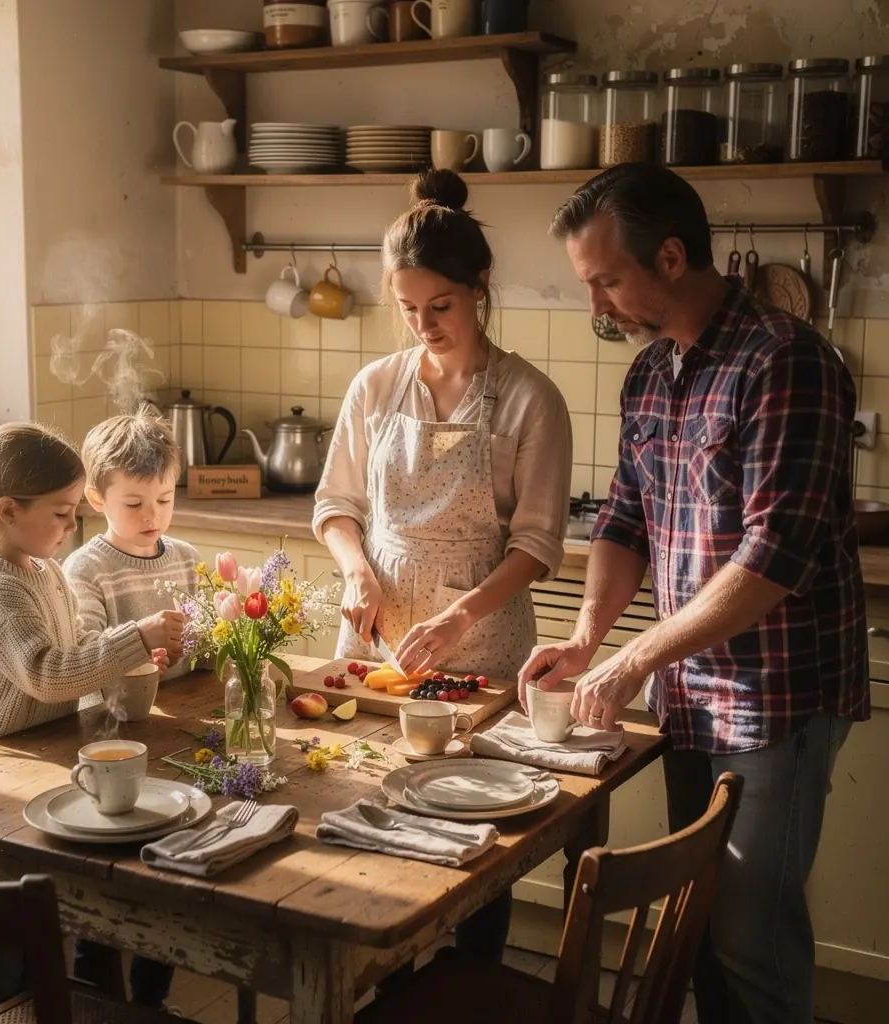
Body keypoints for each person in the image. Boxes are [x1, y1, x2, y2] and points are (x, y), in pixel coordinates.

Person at [522, 163, 870, 1024]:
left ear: (672, 257)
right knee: (698, 926)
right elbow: (623, 521)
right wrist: (589, 639)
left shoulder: (786, 360)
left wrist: (636, 656)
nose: (597, 306)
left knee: (752, 946)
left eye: (606, 280)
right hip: (689, 695)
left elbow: (773, 557)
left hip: (773, 698)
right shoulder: (650, 374)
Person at [314, 167, 572, 968]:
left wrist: (462, 614)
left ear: (480, 286)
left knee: (474, 839)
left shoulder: (530, 399)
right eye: (407, 310)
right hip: (381, 638)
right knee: (366, 813)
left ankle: (467, 987)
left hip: (482, 644)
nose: (423, 325)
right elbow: (335, 505)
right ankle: (382, 982)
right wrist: (357, 570)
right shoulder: (375, 386)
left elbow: (536, 543)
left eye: (441, 307)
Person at [0, 422, 184, 1011]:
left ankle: (63, 1001)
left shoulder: (42, 570)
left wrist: (133, 656)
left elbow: (76, 660)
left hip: (35, 768)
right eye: (62, 513)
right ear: (8, 510)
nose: (72, 526)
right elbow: (48, 674)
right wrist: (133, 638)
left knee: (35, 939)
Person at [63, 411, 200, 1010]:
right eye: (134, 504)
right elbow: (87, 656)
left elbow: (201, 647)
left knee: (168, 877)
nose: (152, 519)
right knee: (111, 881)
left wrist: (211, 639)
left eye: (165, 500)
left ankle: (149, 1002)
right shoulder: (85, 568)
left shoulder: (186, 556)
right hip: (112, 739)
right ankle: (96, 994)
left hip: (181, 733)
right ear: (96, 498)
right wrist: (142, 643)